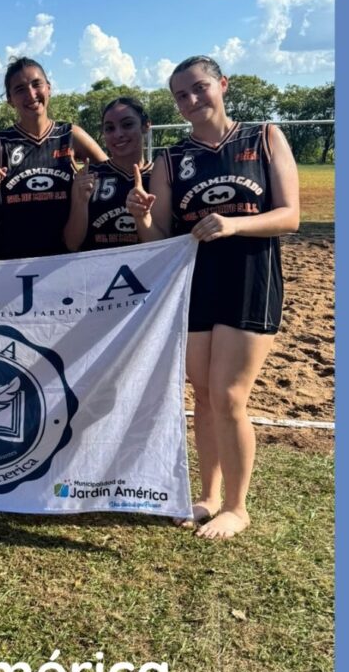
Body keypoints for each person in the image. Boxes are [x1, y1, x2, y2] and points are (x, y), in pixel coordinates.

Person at [127, 55, 299, 540]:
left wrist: (233, 225)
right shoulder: (169, 158)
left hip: (250, 279)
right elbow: (158, 237)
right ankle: (208, 496)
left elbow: (290, 216)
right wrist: (141, 215)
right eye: (181, 95)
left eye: (200, 88)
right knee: (203, 394)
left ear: (222, 85)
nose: (191, 100)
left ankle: (238, 507)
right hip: (194, 285)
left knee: (228, 395)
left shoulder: (264, 137)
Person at [0, 57, 106, 258]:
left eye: (36, 84)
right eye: (20, 89)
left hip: (61, 260)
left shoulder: (71, 135)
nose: (31, 94)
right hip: (9, 262)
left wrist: (86, 188)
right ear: (9, 99)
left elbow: (111, 172)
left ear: (49, 88)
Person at [64, 96, 153, 252]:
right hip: (98, 272)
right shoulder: (90, 177)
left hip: (150, 273)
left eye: (127, 125)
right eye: (110, 128)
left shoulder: (161, 175)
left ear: (146, 126)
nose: (118, 134)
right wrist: (80, 202)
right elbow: (72, 244)